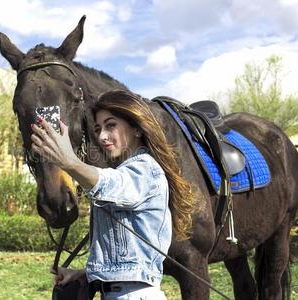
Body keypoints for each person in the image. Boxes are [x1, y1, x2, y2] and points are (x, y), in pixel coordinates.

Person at [31, 90, 196, 299]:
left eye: (111, 125)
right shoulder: (128, 171)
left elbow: (110, 183)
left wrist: (70, 162)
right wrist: (84, 275)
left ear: (137, 129)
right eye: (98, 129)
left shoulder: (146, 169)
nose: (102, 136)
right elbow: (125, 261)